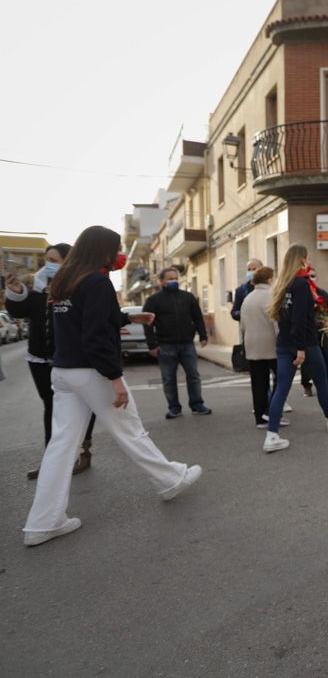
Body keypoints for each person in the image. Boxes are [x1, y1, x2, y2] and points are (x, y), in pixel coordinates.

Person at [22, 226, 201, 547]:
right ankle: (170, 480)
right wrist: (115, 378)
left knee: (61, 446)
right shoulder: (97, 281)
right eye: (114, 249)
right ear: (103, 249)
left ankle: (41, 522)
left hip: (63, 372)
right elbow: (94, 335)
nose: (116, 255)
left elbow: (87, 320)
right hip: (92, 371)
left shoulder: (63, 281)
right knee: (130, 429)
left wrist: (130, 319)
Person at [5, 244, 98, 480]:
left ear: (68, 261)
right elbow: (18, 311)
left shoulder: (80, 287)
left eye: (53, 259)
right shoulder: (37, 290)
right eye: (46, 259)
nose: (48, 264)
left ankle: (82, 452)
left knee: (86, 405)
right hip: (40, 358)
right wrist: (15, 290)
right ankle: (53, 461)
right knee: (51, 407)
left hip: (73, 359)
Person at [262, 245, 328, 453]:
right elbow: (300, 319)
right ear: (302, 259)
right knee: (321, 381)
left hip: (283, 343)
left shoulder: (281, 285)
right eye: (307, 258)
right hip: (305, 344)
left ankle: (271, 435)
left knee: (281, 389)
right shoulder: (301, 284)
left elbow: (283, 318)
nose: (309, 261)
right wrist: (301, 349)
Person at [142, 267, 212, 419]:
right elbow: (147, 324)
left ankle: (197, 404)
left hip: (187, 344)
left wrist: (203, 335)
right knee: (169, 378)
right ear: (161, 282)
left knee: (193, 375)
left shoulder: (188, 297)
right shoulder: (153, 300)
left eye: (175, 278)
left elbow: (197, 317)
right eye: (170, 279)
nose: (174, 281)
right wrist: (152, 345)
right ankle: (174, 408)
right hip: (166, 345)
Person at [239, 267, 286, 430]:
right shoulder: (272, 295)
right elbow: (276, 323)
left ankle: (260, 418)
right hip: (271, 344)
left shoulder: (248, 298)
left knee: (258, 383)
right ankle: (273, 414)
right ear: (269, 279)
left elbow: (242, 325)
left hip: (252, 345)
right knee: (281, 381)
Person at [300, 267, 328, 396]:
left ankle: (327, 380)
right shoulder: (302, 292)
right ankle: (307, 385)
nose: (311, 279)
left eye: (313, 276)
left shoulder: (322, 293)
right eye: (309, 276)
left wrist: (327, 323)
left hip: (322, 331)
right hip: (308, 331)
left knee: (326, 356)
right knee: (307, 360)